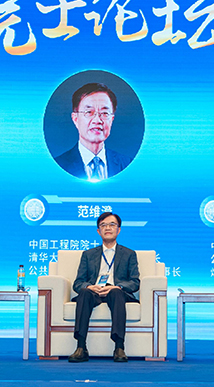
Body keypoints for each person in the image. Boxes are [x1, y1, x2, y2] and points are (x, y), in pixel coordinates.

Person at [68, 212, 140, 362]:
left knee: (116, 293)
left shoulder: (129, 254)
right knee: (84, 292)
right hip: (94, 293)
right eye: (103, 225)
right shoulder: (88, 254)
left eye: (112, 224)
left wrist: (118, 287)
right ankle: (81, 347)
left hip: (116, 293)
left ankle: (119, 347)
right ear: (98, 231)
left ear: (119, 230)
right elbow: (78, 282)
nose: (108, 228)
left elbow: (135, 282)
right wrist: (89, 286)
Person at [53, 83, 132, 181]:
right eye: (89, 112)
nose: (97, 120)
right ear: (75, 119)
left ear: (111, 119)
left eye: (104, 113)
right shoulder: (57, 166)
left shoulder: (128, 165)